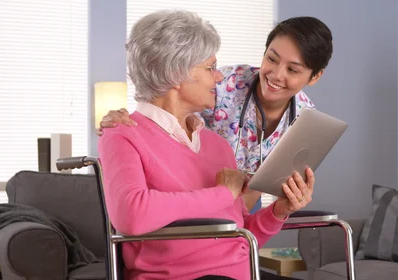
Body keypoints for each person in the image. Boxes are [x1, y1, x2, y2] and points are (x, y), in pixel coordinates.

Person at [98, 9, 380, 280]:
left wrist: (279, 211)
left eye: (293, 69)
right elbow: (131, 215)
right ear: (176, 74)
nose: (218, 77)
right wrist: (223, 194)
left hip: (239, 274)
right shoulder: (123, 134)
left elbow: (239, 233)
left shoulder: (217, 145)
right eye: (210, 68)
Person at [98, 14, 333, 214]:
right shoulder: (226, 84)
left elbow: (274, 181)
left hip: (247, 202)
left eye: (292, 69)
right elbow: (167, 97)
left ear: (315, 77)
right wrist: (125, 121)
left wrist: (286, 202)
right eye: (271, 59)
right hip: (194, 191)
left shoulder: (306, 121)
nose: (276, 74)